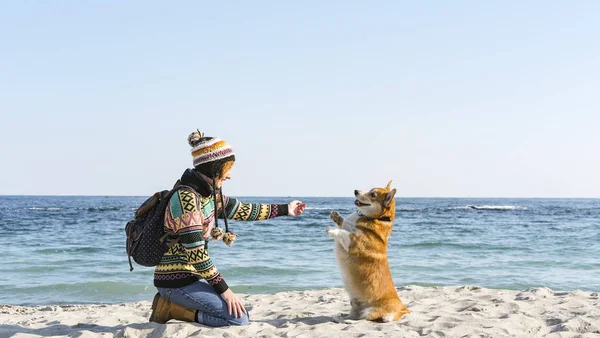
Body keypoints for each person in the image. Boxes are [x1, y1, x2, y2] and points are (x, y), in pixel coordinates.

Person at [149, 130, 307, 327]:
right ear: (213, 169)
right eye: (227, 168)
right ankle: (170, 308)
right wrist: (225, 290)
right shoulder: (186, 199)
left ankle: (177, 306)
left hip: (191, 280)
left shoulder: (209, 196)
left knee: (240, 313)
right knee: (238, 319)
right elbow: (197, 255)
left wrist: (286, 209)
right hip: (175, 284)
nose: (230, 175)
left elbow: (245, 210)